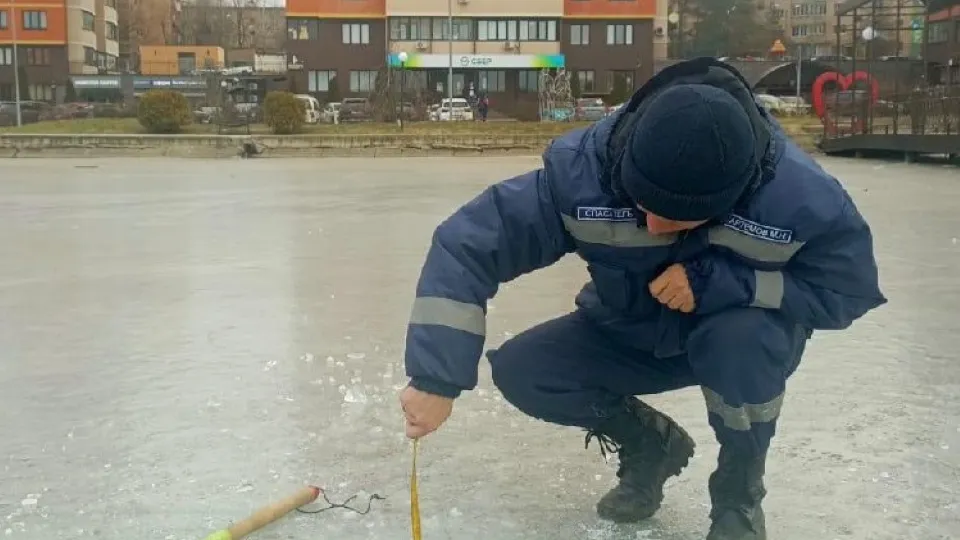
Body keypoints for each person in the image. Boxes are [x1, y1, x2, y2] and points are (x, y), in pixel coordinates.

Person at [398, 57, 886, 540]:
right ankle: (652, 446)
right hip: (628, 329)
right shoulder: (583, 172)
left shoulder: (801, 197)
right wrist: (436, 377)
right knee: (526, 371)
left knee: (743, 338)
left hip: (735, 342)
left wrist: (724, 284)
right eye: (642, 203)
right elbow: (467, 245)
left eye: (676, 218)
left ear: (734, 195)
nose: (653, 226)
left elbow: (846, 291)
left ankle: (738, 496)